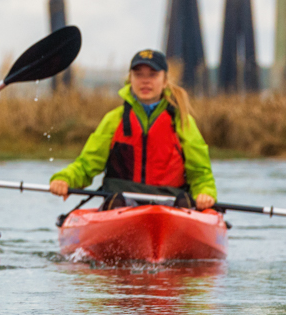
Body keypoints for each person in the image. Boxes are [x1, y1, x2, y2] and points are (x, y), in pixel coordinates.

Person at [48, 49, 218, 210]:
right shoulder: (114, 119)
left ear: (165, 80)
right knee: (117, 202)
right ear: (130, 79)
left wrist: (206, 193)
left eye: (152, 75)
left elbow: (200, 172)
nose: (145, 81)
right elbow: (86, 165)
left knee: (185, 202)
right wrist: (64, 179)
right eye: (139, 75)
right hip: (122, 202)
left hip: (170, 202)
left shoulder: (183, 122)